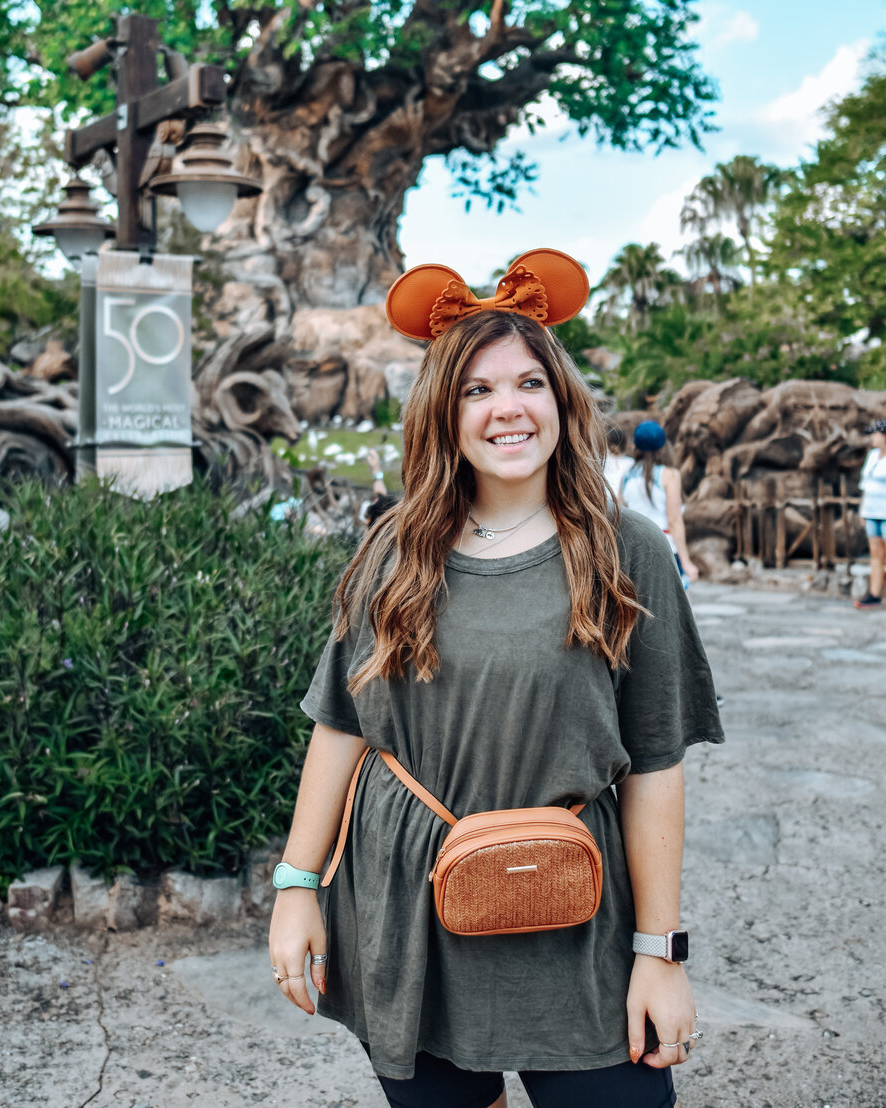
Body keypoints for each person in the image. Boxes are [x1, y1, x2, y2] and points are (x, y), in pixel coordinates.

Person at [268, 248, 723, 1108]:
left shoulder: (628, 552)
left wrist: (660, 955)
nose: (506, 408)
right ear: (444, 414)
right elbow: (341, 727)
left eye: (528, 384)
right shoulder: (395, 553)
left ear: (561, 399)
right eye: (477, 390)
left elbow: (657, 764)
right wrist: (296, 891)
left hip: (576, 921)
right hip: (407, 917)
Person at [620, 421, 699, 587]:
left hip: (635, 552)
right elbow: (674, 520)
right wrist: (686, 562)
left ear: (636, 446)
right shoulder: (669, 475)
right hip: (665, 549)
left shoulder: (627, 476)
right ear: (664, 446)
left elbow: (621, 517)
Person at [855, 420, 886, 608]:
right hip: (871, 511)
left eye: (875, 434)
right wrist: (862, 511)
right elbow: (865, 485)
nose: (872, 438)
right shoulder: (872, 456)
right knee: (875, 554)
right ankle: (874, 594)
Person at [603, 423, 633, 497]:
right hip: (622, 504)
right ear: (625, 445)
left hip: (605, 502)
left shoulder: (601, 462)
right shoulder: (630, 463)